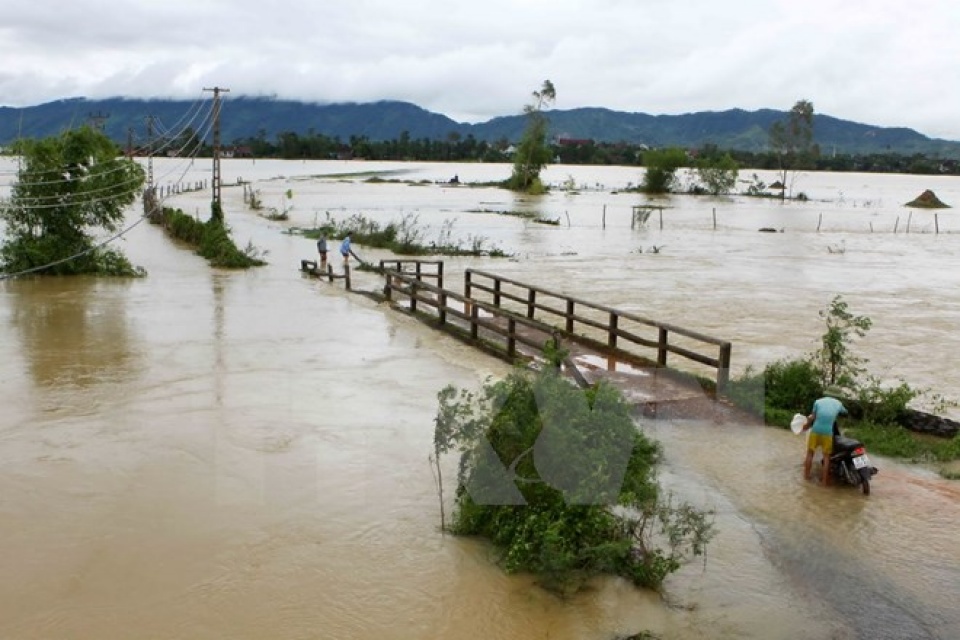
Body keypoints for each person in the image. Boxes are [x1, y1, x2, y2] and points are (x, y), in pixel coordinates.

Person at [801, 386, 849, 485]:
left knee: (810, 453)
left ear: (827, 393)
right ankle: (824, 481)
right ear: (838, 395)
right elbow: (845, 412)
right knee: (827, 457)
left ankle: (806, 477)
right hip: (827, 432)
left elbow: (812, 417)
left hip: (815, 430)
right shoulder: (839, 404)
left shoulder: (818, 401)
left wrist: (805, 426)